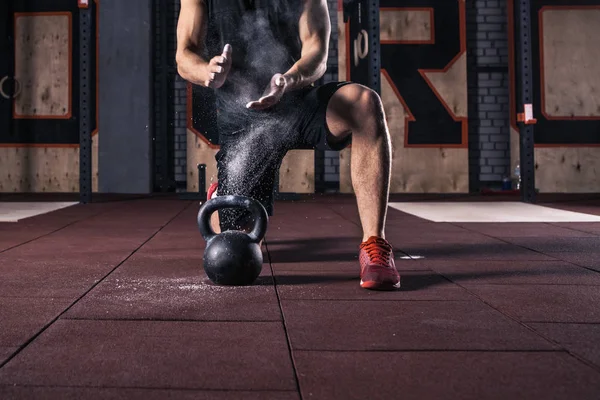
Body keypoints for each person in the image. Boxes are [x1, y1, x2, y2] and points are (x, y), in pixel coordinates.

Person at [176, 0, 400, 290]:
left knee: (364, 104)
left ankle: (375, 246)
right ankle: (222, 193)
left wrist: (288, 79)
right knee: (235, 243)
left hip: (294, 100)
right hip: (243, 118)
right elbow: (184, 54)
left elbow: (316, 51)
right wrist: (207, 71)